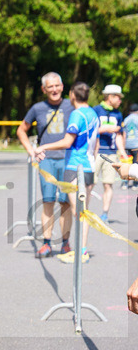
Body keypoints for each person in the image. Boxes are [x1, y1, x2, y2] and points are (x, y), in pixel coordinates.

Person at [15, 72, 74, 257]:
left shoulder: (72, 106)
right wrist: (31, 151)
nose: (54, 90)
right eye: (50, 87)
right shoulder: (37, 108)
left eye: (57, 86)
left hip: (68, 159)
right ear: (44, 89)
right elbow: (21, 130)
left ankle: (65, 243)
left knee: (66, 203)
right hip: (46, 160)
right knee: (48, 202)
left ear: (63, 86)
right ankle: (47, 243)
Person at [40, 81, 99, 263]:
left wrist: (43, 146)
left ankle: (81, 252)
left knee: (78, 211)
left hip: (75, 167)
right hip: (88, 166)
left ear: (73, 95)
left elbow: (67, 142)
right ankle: (82, 249)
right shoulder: (93, 114)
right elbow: (95, 143)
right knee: (83, 211)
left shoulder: (77, 114)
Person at [91, 84, 125, 219]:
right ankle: (84, 211)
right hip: (96, 152)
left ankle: (105, 213)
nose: (120, 101)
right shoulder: (95, 111)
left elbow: (119, 135)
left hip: (111, 153)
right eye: (118, 98)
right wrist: (103, 129)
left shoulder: (118, 114)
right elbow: (90, 132)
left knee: (108, 183)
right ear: (110, 97)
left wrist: (122, 152)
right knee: (90, 183)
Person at [121, 102, 138, 189]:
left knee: (126, 164)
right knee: (136, 164)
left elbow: (124, 134)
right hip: (136, 145)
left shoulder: (126, 119)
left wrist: (123, 147)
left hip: (127, 145)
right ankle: (135, 184)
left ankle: (125, 183)